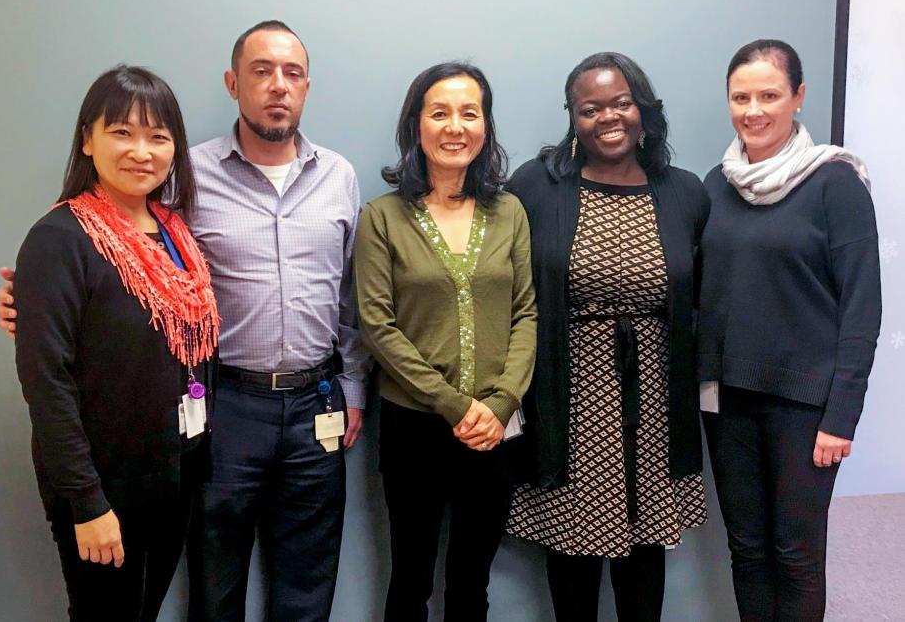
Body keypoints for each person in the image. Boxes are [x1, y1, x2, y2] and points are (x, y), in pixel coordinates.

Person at [0, 20, 370, 622]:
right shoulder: (183, 183)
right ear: (233, 83)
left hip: (309, 407)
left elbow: (349, 296)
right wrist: (31, 305)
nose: (278, 86)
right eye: (261, 71)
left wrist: (352, 386)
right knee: (214, 580)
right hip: (225, 407)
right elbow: (94, 290)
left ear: (307, 86)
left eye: (292, 73)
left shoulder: (336, 178)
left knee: (308, 576)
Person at [504, 53, 709, 622]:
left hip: (655, 397)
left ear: (643, 108)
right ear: (573, 117)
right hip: (570, 393)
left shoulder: (685, 192)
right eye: (590, 108)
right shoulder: (536, 186)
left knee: (645, 548)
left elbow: (702, 300)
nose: (608, 118)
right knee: (573, 547)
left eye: (621, 103)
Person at [12, 65, 219, 621]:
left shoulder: (174, 231)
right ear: (88, 138)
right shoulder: (60, 239)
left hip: (172, 473)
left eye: (158, 136)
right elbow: (45, 381)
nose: (141, 151)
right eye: (122, 132)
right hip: (104, 487)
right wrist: (87, 502)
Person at [697, 39, 880, 622]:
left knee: (796, 555)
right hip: (727, 402)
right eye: (741, 97)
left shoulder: (835, 184)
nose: (754, 110)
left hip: (806, 410)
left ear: (798, 98)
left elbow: (861, 309)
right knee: (746, 551)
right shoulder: (715, 186)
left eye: (769, 95)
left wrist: (841, 417)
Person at [354, 62, 537, 622]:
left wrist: (501, 402)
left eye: (469, 112)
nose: (455, 126)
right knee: (409, 579)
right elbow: (377, 325)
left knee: (471, 582)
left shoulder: (508, 211)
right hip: (414, 425)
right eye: (439, 113)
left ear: (485, 127)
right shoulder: (382, 217)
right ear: (416, 126)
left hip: (495, 426)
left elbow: (527, 313)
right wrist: (455, 405)